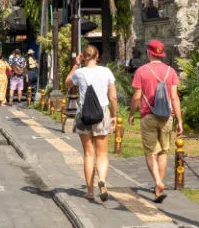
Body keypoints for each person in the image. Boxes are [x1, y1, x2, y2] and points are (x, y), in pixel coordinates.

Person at [127, 39, 183, 203]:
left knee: (151, 152)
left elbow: (137, 96)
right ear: (161, 54)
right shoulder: (171, 71)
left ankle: (158, 183)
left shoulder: (142, 71)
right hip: (167, 117)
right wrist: (179, 120)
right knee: (163, 151)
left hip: (148, 116)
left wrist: (131, 114)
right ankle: (158, 188)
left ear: (149, 53)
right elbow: (174, 97)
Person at [65, 46, 118, 202]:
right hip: (102, 113)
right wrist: (114, 116)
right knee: (102, 153)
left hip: (83, 114)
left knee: (88, 154)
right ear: (98, 55)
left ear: (84, 57)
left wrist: (76, 64)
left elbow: (68, 83)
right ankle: (101, 180)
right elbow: (113, 97)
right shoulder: (106, 72)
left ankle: (89, 190)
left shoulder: (80, 73)